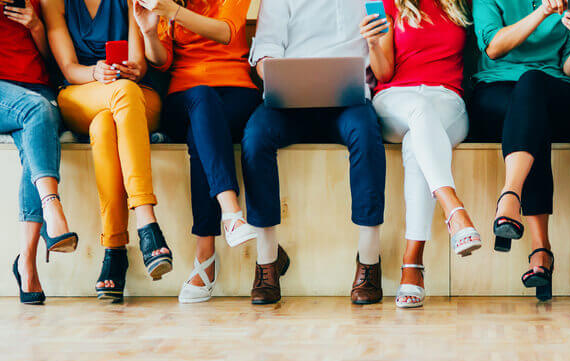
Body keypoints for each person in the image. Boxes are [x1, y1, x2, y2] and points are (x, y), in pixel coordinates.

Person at [242, 0, 387, 305]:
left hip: (348, 101)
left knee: (367, 133)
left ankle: (369, 261)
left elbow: (383, 42)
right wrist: (275, 71)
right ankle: (267, 261)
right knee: (254, 138)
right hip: (290, 103)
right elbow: (266, 45)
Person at [43, 0, 172, 303]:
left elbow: (139, 66)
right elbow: (69, 68)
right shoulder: (54, 2)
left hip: (136, 95)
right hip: (81, 92)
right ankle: (147, 223)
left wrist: (129, 69)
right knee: (116, 100)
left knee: (105, 124)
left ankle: (114, 250)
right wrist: (95, 72)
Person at [136, 0, 260, 303]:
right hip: (185, 95)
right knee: (202, 102)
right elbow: (161, 61)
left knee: (200, 134)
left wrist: (174, 13)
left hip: (236, 91)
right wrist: (150, 33)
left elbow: (227, 32)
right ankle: (230, 212)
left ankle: (205, 255)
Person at [470, 0, 570, 301]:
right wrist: (543, 12)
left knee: (533, 87)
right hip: (497, 91)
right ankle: (541, 251)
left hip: (557, 90)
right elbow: (494, 48)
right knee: (531, 114)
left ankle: (510, 196)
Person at [363, 0, 480, 308]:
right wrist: (373, 44)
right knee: (419, 110)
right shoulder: (384, 3)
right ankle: (453, 208)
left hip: (447, 101)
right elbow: (384, 72)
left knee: (418, 142)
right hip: (395, 99)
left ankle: (412, 264)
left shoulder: (459, 4)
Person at [1, 0, 78, 305]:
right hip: (13, 95)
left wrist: (35, 25)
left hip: (37, 89)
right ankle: (52, 206)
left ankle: (27, 262)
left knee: (34, 143)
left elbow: (52, 60)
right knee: (37, 111)